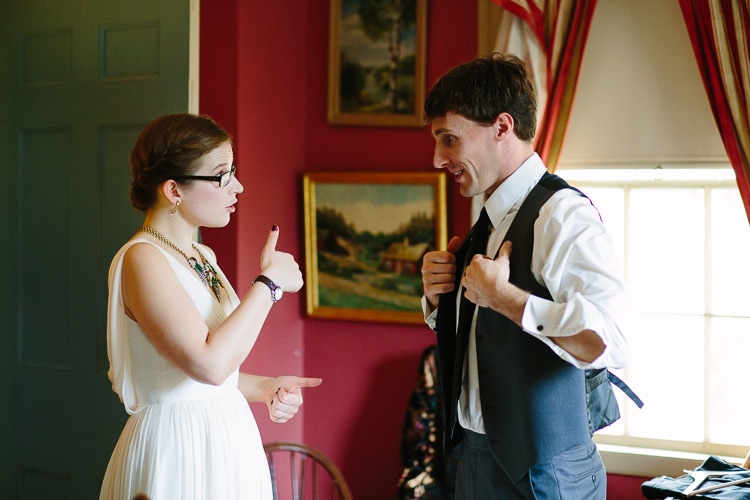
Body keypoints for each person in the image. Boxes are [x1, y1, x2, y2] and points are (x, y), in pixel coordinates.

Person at [420, 53, 629, 499]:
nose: (438, 159)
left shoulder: (563, 216)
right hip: (474, 458)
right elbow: (484, 339)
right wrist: (442, 301)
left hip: (545, 472)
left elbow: (607, 339)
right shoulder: (488, 218)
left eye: (449, 139)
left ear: (501, 127)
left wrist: (504, 298)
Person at [100, 113, 322, 500]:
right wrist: (268, 285)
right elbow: (209, 365)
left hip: (227, 441)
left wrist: (266, 387)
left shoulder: (201, 253)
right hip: (177, 450)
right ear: (174, 190)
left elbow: (204, 379)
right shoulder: (142, 259)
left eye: (233, 171)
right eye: (221, 175)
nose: (237, 186)